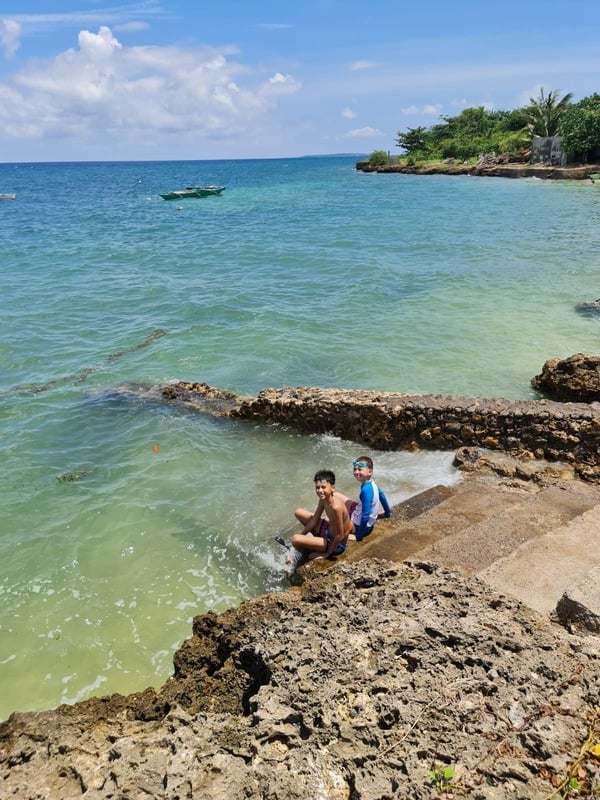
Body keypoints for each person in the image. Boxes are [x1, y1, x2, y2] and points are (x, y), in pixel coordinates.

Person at [290, 469, 352, 560]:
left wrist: (327, 553)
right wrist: (302, 535)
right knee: (298, 512)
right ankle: (308, 543)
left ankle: (305, 553)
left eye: (323, 487)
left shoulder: (336, 507)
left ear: (332, 488)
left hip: (335, 544)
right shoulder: (323, 500)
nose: (320, 490)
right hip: (327, 531)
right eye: (317, 487)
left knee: (295, 539)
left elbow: (340, 535)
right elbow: (314, 520)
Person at [339, 455, 391, 542]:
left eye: (360, 469)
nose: (356, 472)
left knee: (330, 522)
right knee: (336, 495)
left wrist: (359, 536)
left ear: (370, 471)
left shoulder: (365, 490)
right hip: (361, 519)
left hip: (359, 526)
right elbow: (382, 496)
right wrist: (387, 513)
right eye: (355, 469)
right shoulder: (371, 484)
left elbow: (365, 516)